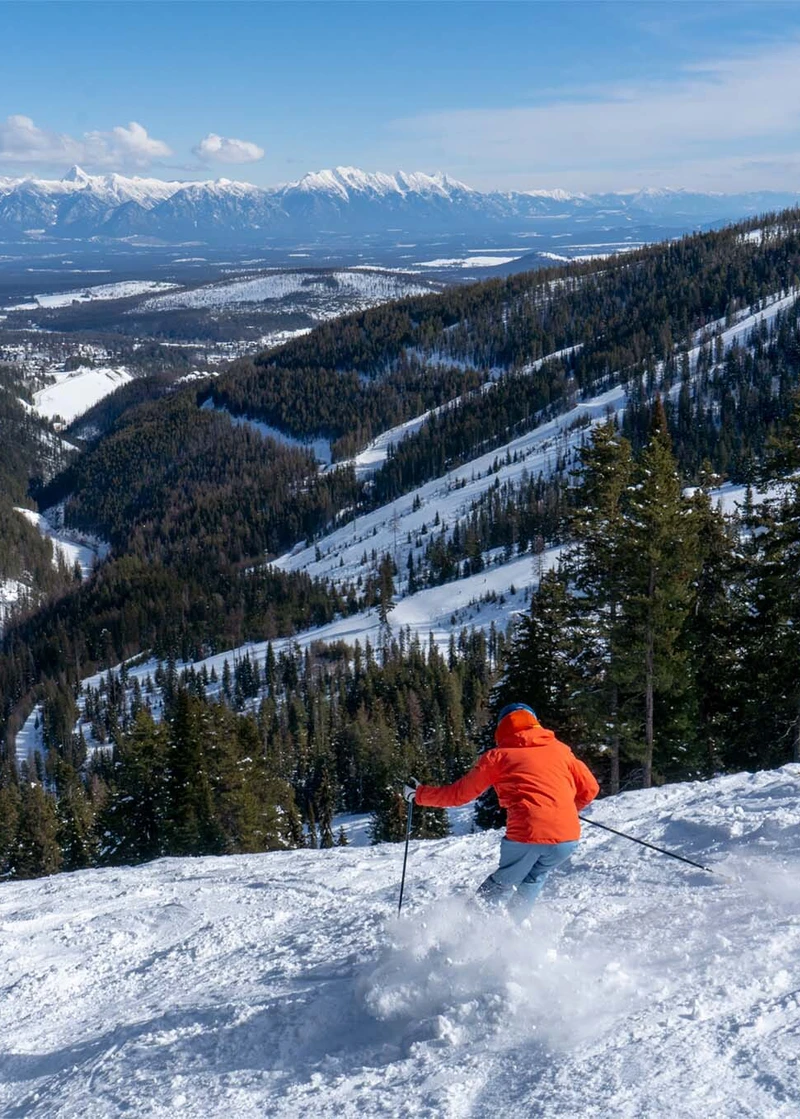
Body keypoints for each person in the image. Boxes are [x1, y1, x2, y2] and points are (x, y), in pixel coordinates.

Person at [405, 703, 599, 920]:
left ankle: (467, 932)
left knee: (501, 885)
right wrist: (566, 809)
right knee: (533, 878)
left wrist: (419, 794)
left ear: (502, 728)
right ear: (535, 723)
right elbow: (590, 789)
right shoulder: (561, 750)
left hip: (528, 834)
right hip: (567, 839)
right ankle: (513, 932)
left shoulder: (498, 756)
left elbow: (459, 795)